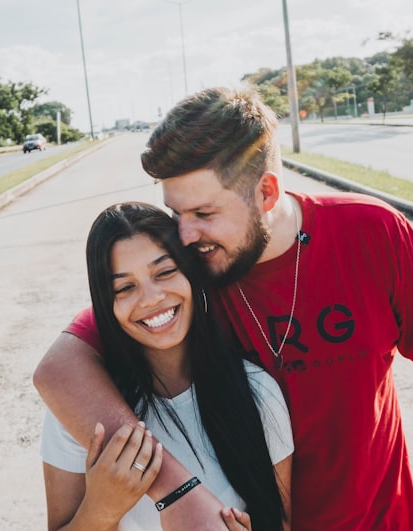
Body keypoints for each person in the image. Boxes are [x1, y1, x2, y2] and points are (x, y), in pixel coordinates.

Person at [34, 86, 413, 530]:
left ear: (266, 192)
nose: (185, 235)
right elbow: (59, 368)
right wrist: (176, 492)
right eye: (176, 213)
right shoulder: (191, 272)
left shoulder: (373, 233)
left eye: (204, 212)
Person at [39, 202, 293, 530]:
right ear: (105, 303)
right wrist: (102, 508)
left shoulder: (257, 392)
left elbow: (283, 521)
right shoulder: (81, 412)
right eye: (125, 287)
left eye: (164, 272)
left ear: (191, 274)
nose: (150, 298)